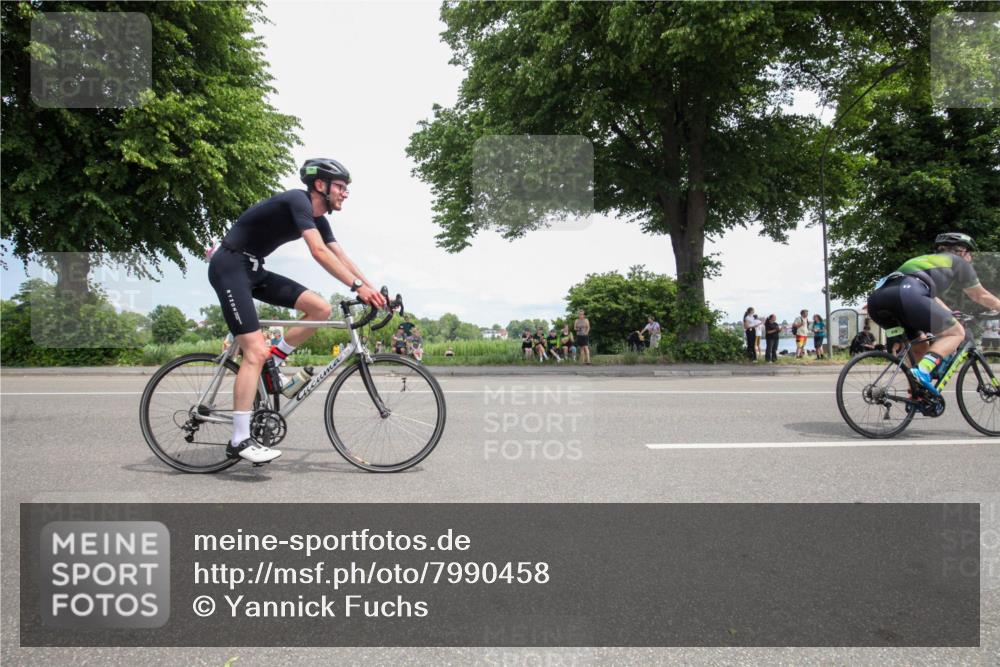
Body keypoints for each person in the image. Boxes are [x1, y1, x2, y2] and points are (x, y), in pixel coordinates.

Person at [208, 157, 385, 464]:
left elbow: (340, 256)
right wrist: (358, 287)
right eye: (341, 187)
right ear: (321, 185)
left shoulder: (321, 219)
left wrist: (372, 292)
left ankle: (275, 359)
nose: (345, 193)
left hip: (252, 269)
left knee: (320, 308)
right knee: (253, 352)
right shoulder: (297, 200)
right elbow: (317, 252)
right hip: (229, 266)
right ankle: (238, 438)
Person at [866, 232, 1000, 395]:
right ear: (960, 251)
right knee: (956, 333)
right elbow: (979, 295)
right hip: (908, 295)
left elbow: (928, 297)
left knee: (920, 345)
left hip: (878, 300)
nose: (970, 258)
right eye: (969, 252)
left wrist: (950, 313)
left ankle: (916, 394)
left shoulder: (923, 261)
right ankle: (922, 371)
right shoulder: (957, 261)